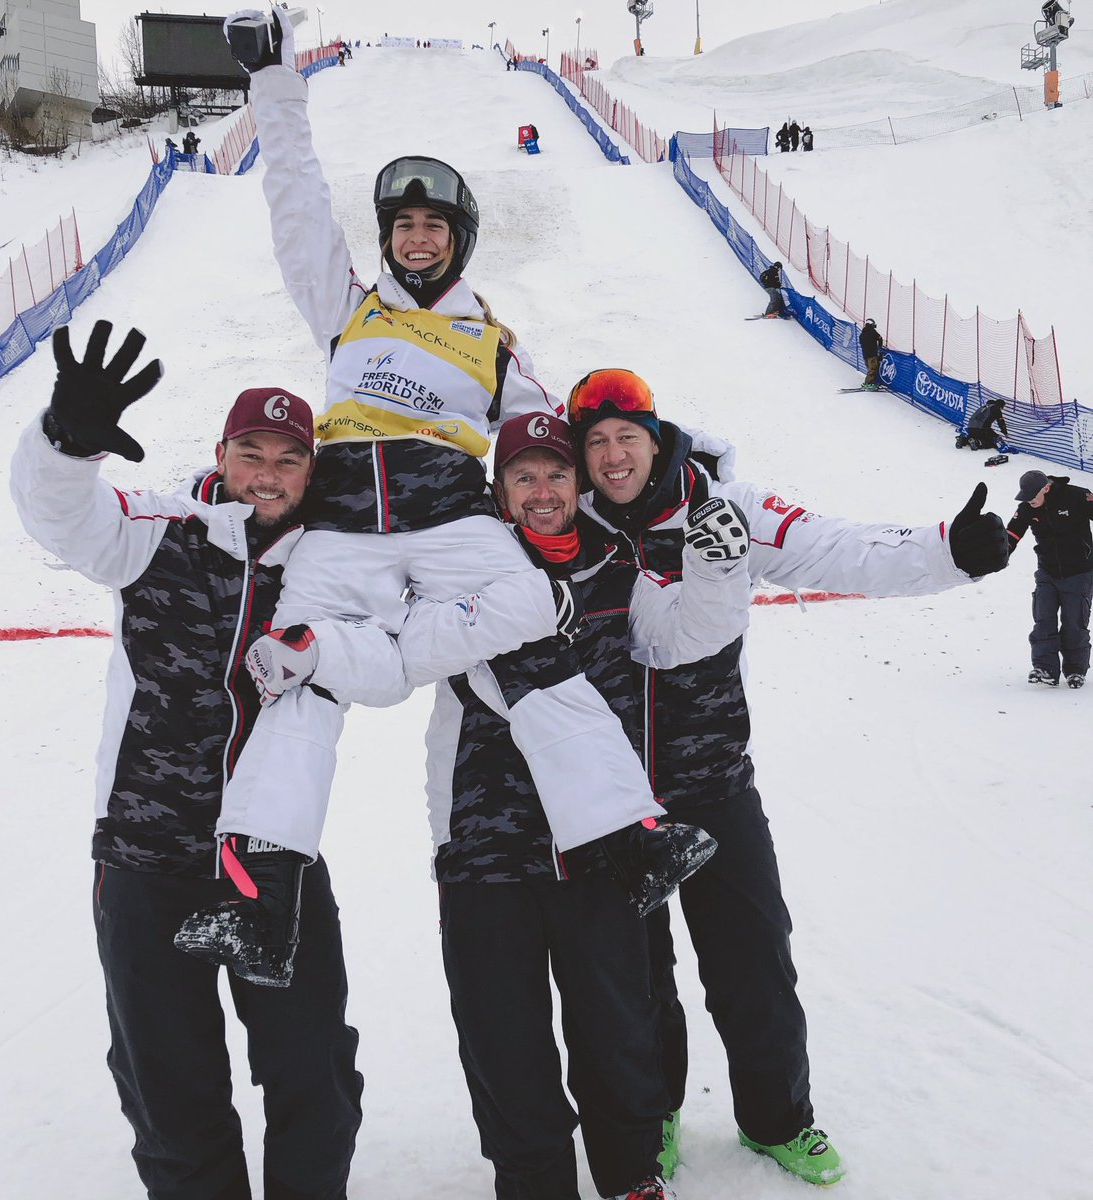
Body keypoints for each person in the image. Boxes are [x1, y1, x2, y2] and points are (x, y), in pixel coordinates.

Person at [175, 6, 716, 987]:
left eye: (433, 226)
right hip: (345, 523)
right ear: (387, 238)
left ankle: (628, 835)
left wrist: (654, 477)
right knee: (293, 678)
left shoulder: (493, 344)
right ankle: (261, 897)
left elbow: (556, 450)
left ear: (458, 240)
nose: (416, 238)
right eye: (402, 225)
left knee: (534, 645)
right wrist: (272, 83)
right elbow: (296, 208)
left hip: (451, 518)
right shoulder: (348, 311)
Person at [564, 367, 1011, 1187]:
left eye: (626, 436)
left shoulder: (725, 507)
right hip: (610, 796)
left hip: (713, 781)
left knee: (754, 964)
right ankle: (652, 1114)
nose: (612, 455)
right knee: (632, 978)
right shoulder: (571, 524)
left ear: (657, 439)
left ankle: (777, 1119)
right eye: (595, 442)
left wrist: (947, 551)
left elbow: (835, 546)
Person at [8, 320, 405, 1199]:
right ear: (222, 456)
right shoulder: (160, 532)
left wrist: (322, 649)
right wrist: (64, 444)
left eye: (288, 460)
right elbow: (63, 517)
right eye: (250, 453)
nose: (267, 474)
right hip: (145, 858)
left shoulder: (333, 567)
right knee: (169, 1087)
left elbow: (389, 665)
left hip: (271, 858)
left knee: (315, 1076)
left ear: (310, 472)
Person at [396, 411, 753, 1200]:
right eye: (522, 476)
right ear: (499, 492)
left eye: (556, 473)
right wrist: (514, 610)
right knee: (502, 1039)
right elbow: (409, 652)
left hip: (600, 839)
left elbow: (679, 641)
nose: (541, 491)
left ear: (576, 482)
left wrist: (718, 569)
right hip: (485, 843)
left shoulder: (614, 565)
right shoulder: (459, 572)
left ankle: (630, 1175)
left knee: (618, 1026)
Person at [1006, 469, 1093, 688]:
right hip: (1047, 571)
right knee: (1043, 617)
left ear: (1046, 488)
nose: (1029, 500)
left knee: (1074, 622)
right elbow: (1011, 534)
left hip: (1079, 572)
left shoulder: (1076, 496)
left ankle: (1076, 670)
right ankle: (1044, 667)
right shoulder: (1027, 508)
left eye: (1032, 496)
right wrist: (998, 554)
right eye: (1025, 496)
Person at [859, 317, 884, 389]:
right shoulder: (872, 331)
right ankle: (868, 384)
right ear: (871, 324)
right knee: (872, 370)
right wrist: (879, 347)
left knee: (870, 369)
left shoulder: (862, 333)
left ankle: (871, 383)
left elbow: (861, 343)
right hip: (872, 354)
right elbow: (880, 338)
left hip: (865, 355)